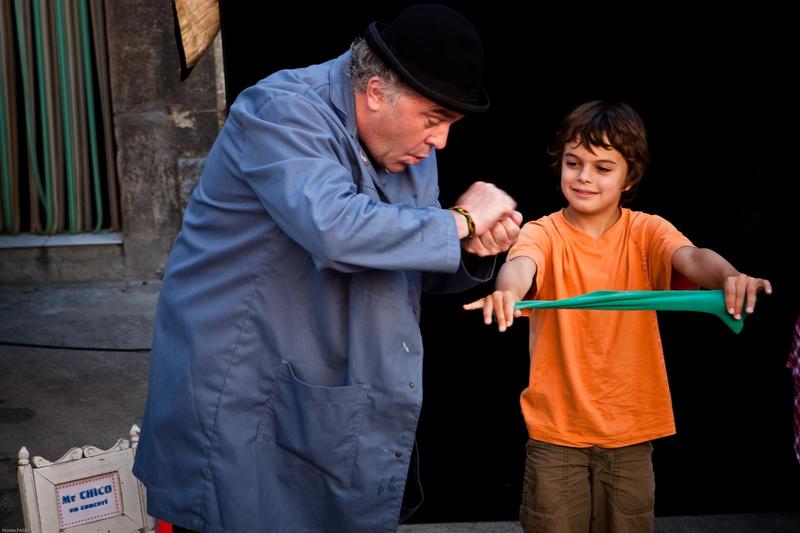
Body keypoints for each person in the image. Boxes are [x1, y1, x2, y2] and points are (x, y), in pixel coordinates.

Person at [132, 4, 522, 533]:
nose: (441, 142)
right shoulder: (279, 111)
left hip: (326, 392)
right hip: (240, 384)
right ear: (377, 90)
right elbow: (336, 229)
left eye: (449, 124)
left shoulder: (408, 147)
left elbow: (400, 256)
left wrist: (473, 247)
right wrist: (458, 221)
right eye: (434, 120)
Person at [465, 100, 772, 532]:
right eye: (573, 163)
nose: (584, 177)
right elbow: (520, 266)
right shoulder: (543, 232)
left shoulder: (647, 231)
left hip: (631, 431)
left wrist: (731, 276)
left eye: (603, 167)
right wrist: (506, 293)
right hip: (555, 433)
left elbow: (693, 257)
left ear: (631, 177)